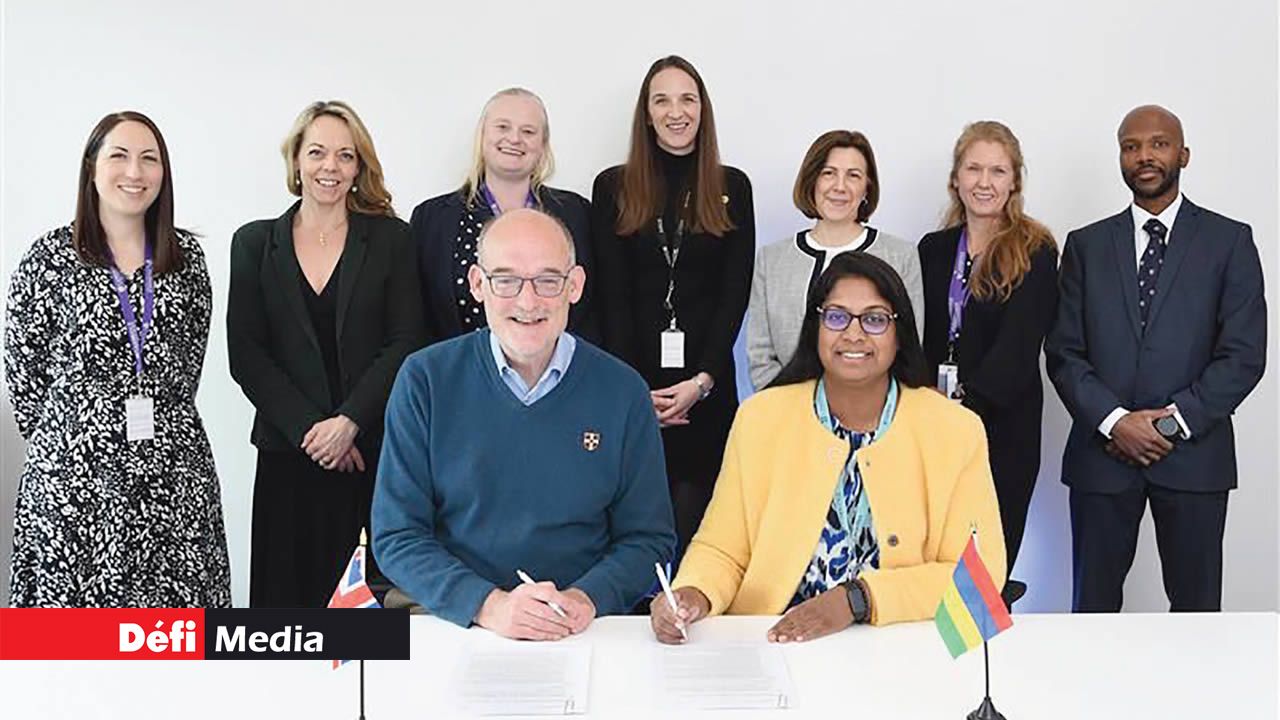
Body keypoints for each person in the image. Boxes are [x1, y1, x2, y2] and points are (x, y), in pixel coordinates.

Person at [651, 252, 1005, 644]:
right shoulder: (760, 418)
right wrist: (693, 594)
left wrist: (858, 599)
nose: (853, 334)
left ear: (899, 333)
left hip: (903, 645)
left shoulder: (955, 429)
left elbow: (978, 577)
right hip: (775, 642)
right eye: (836, 317)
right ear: (815, 327)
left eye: (874, 319)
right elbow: (722, 549)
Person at [373, 208, 676, 640]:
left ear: (575, 286)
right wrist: (488, 605)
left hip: (582, 626)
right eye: (506, 280)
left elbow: (649, 539)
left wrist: (586, 598)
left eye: (548, 280)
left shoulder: (623, 390)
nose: (528, 302)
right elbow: (397, 535)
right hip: (454, 621)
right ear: (478, 284)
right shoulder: (425, 379)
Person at [1045, 105, 1266, 613]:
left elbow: (1243, 354)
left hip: (1195, 460)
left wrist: (1167, 426)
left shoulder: (1229, 241)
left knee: (1196, 616)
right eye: (1131, 146)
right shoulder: (1085, 246)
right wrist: (1116, 422)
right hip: (1102, 458)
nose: (1144, 155)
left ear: (1183, 155)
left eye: (1158, 144)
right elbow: (1064, 351)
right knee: (1092, 613)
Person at [4, 111, 230, 607]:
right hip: (73, 487)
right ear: (92, 167)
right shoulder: (48, 259)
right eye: (119, 156)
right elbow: (24, 379)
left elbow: (187, 365)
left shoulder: (187, 260)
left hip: (174, 482)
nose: (135, 172)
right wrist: (80, 433)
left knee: (173, 638)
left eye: (149, 159)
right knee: (74, 641)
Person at [227, 100, 425, 608]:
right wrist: (313, 432)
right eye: (317, 152)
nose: (329, 166)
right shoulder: (254, 243)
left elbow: (406, 341)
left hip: (369, 458)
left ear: (359, 167)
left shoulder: (392, 239)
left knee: (367, 620)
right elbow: (246, 353)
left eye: (344, 155)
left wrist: (350, 422)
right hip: (287, 460)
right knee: (284, 621)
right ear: (296, 160)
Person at [591, 55, 754, 564]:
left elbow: (733, 294)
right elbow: (611, 296)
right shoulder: (612, 187)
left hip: (706, 390)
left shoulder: (732, 187)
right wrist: (634, 391)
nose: (675, 112)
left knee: (699, 536)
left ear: (703, 109)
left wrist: (701, 382)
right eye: (661, 100)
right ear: (646, 113)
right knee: (636, 533)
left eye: (687, 99)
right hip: (633, 393)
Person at [918, 121, 1058, 604]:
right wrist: (927, 403)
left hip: (1003, 431)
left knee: (985, 573)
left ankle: (980, 648)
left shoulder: (1036, 250)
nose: (984, 182)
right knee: (936, 563)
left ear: (1014, 181)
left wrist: (960, 407)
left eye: (998, 171)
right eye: (973, 169)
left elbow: (1018, 349)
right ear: (955, 178)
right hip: (934, 430)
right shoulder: (933, 249)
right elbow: (916, 336)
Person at [410, 88, 598, 344]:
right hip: (458, 367)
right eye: (502, 127)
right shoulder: (431, 219)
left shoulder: (578, 213)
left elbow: (591, 312)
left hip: (554, 367)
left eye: (528, 131)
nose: (514, 138)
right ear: (482, 136)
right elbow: (418, 318)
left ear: (543, 145)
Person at [748, 129, 923, 390]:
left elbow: (907, 349)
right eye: (828, 173)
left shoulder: (900, 256)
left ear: (867, 187)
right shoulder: (771, 260)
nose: (840, 187)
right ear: (812, 181)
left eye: (853, 175)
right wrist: (789, 406)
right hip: (787, 408)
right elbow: (761, 356)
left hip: (875, 409)